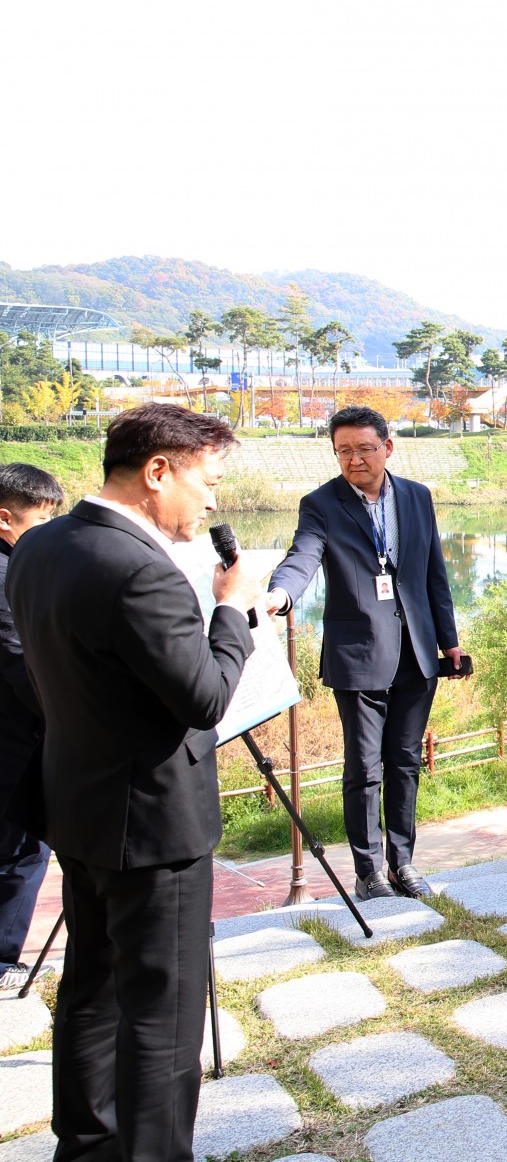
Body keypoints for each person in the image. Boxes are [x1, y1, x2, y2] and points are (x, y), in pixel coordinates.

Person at [9, 404, 259, 1162]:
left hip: (78, 807)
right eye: (206, 481)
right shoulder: (140, 571)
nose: (212, 501)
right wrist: (231, 611)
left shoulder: (41, 546)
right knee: (163, 1014)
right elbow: (206, 697)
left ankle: (86, 1148)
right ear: (158, 472)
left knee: (90, 991)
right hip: (154, 824)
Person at [267, 406, 463, 900]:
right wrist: (280, 594)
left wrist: (450, 639)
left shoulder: (416, 497)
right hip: (358, 654)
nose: (354, 460)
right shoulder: (321, 504)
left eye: (364, 449)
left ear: (388, 447)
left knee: (405, 762)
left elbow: (433, 573)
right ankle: (368, 871)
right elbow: (302, 557)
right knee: (363, 767)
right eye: (343, 451)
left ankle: (404, 864)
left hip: (417, 651)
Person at [0, 464, 62, 988]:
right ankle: (2, 960)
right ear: (6, 518)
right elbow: (18, 659)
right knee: (21, 849)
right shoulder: (6, 576)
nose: (49, 529)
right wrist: (69, 713)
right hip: (15, 739)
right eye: (41, 520)